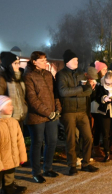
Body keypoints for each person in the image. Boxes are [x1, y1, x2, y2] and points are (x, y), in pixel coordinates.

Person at [56, 49, 99, 175]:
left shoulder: (81, 73)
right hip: (68, 112)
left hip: (81, 111)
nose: (77, 61)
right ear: (67, 61)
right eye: (74, 60)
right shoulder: (61, 74)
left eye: (77, 60)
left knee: (88, 138)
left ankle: (85, 163)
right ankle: (72, 165)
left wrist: (75, 91)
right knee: (71, 140)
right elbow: (63, 92)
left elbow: (88, 91)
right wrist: (80, 89)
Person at [23, 51, 62, 183]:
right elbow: (32, 99)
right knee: (37, 143)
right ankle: (36, 172)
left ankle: (48, 168)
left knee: (52, 141)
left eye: (45, 59)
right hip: (36, 117)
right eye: (42, 60)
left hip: (51, 115)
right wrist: (47, 112)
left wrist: (57, 109)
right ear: (34, 61)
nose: (46, 62)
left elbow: (54, 93)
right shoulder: (28, 76)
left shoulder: (48, 74)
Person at [0, 96, 27, 194]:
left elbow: (20, 141)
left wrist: (22, 156)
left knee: (9, 182)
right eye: (8, 105)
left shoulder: (14, 122)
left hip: (10, 161)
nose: (12, 107)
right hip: (1, 162)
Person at [0, 52, 28, 130]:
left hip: (20, 117)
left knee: (19, 141)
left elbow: (23, 96)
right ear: (8, 65)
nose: (18, 66)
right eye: (15, 63)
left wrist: (25, 107)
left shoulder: (18, 77)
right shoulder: (2, 79)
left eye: (18, 63)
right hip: (7, 120)